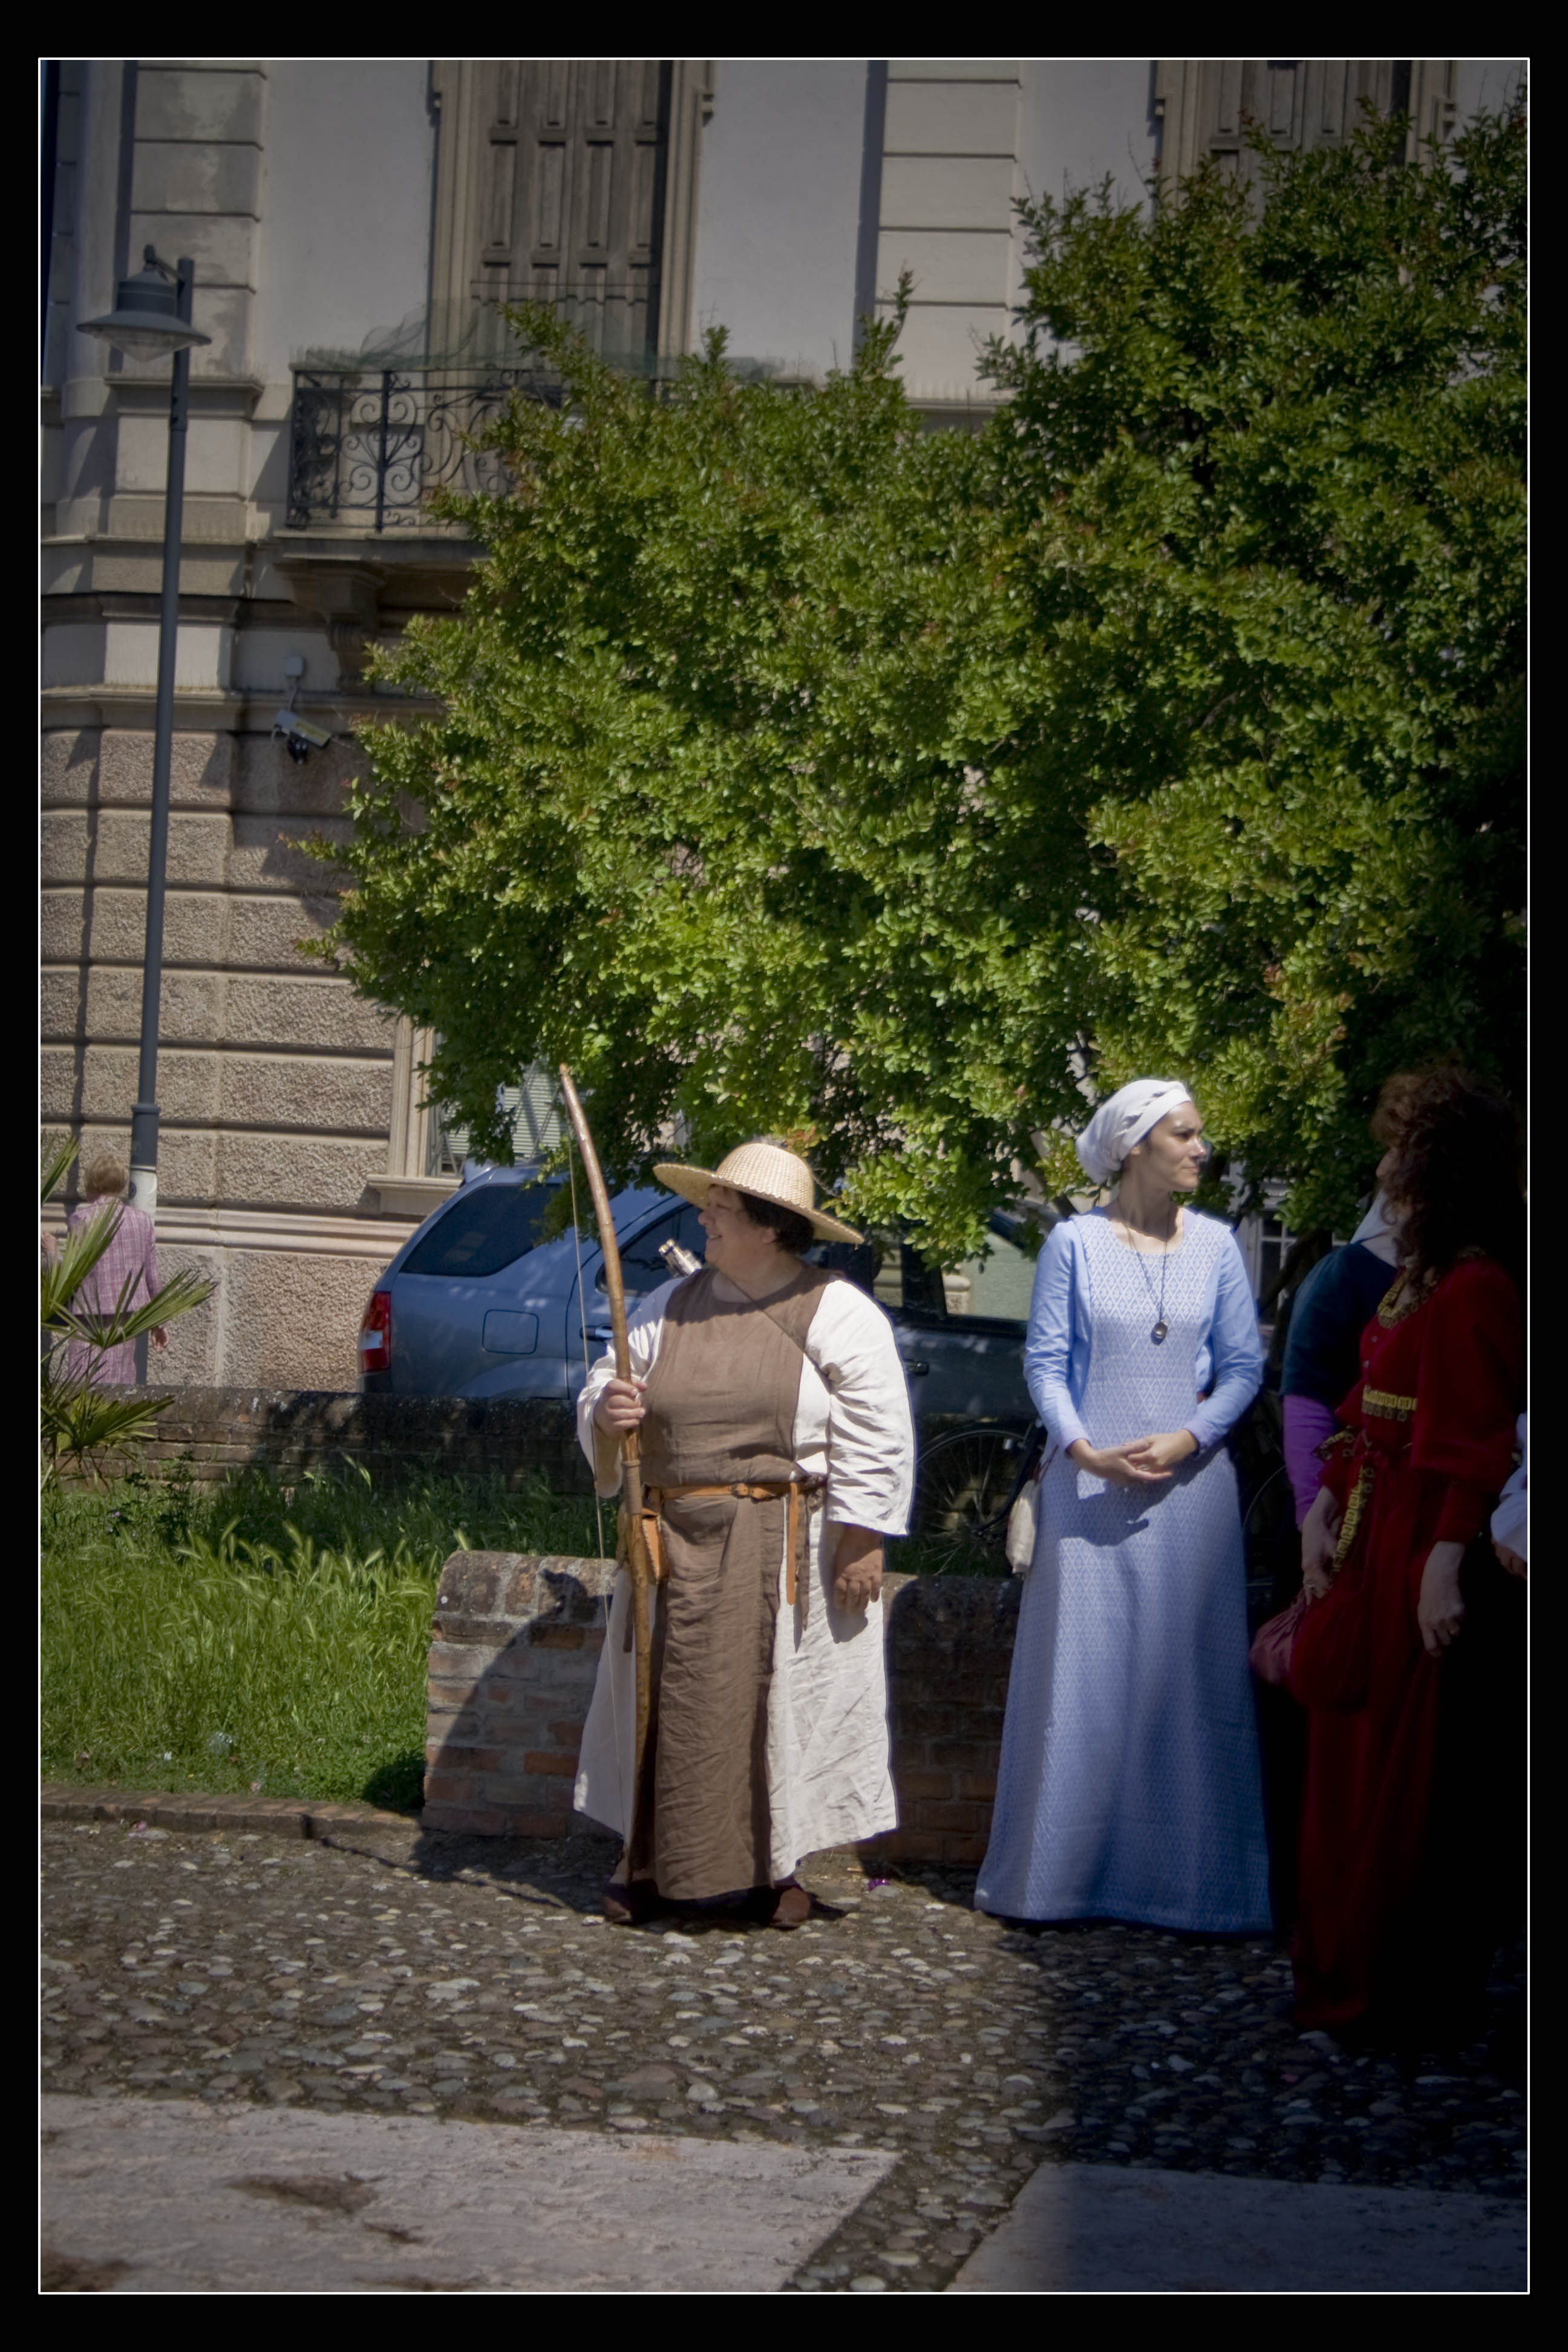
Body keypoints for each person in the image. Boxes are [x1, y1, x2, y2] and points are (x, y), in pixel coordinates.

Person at [574, 1138, 914, 1927]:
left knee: (778, 1709)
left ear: (768, 1227)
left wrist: (863, 1534)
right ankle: (648, 1863)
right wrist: (606, 1408)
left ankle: (776, 1868)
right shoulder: (669, 1306)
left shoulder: (837, 1312)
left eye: (720, 1212)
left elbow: (878, 1428)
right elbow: (609, 1375)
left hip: (783, 1545)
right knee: (666, 1705)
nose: (704, 1221)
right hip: (670, 1540)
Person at [976, 1079, 1271, 1932]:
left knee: (1192, 1682)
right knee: (1083, 1677)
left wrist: (1189, 1438)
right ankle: (1059, 1880)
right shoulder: (1073, 1242)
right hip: (1090, 1488)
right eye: (1184, 1133)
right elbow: (1046, 1361)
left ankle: (1195, 1888)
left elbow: (1245, 1368)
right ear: (1136, 1144)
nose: (1201, 1148)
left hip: (1191, 1494)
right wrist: (1081, 1449)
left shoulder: (1217, 1247)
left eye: (1199, 1134)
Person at [1290, 1068, 1524, 2038]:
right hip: (1375, 1529)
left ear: (1438, 1169)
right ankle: (1342, 1972)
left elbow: (1475, 1442)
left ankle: (1395, 1990)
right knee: (1351, 1759)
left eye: (1402, 1150)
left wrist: (1439, 1566)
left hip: (1419, 1543)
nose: (1384, 1166)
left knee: (1408, 1774)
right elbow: (1361, 1410)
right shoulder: (1415, 1279)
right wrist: (1323, 1509)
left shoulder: (1474, 1286)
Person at [62, 1152, 165, 1382]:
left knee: (82, 1389)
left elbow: (69, 1276)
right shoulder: (141, 1221)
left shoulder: (81, 1220)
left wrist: (49, 1251)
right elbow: (152, 1276)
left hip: (87, 1319)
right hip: (124, 1319)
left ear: (93, 1184)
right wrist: (160, 1322)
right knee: (118, 1387)